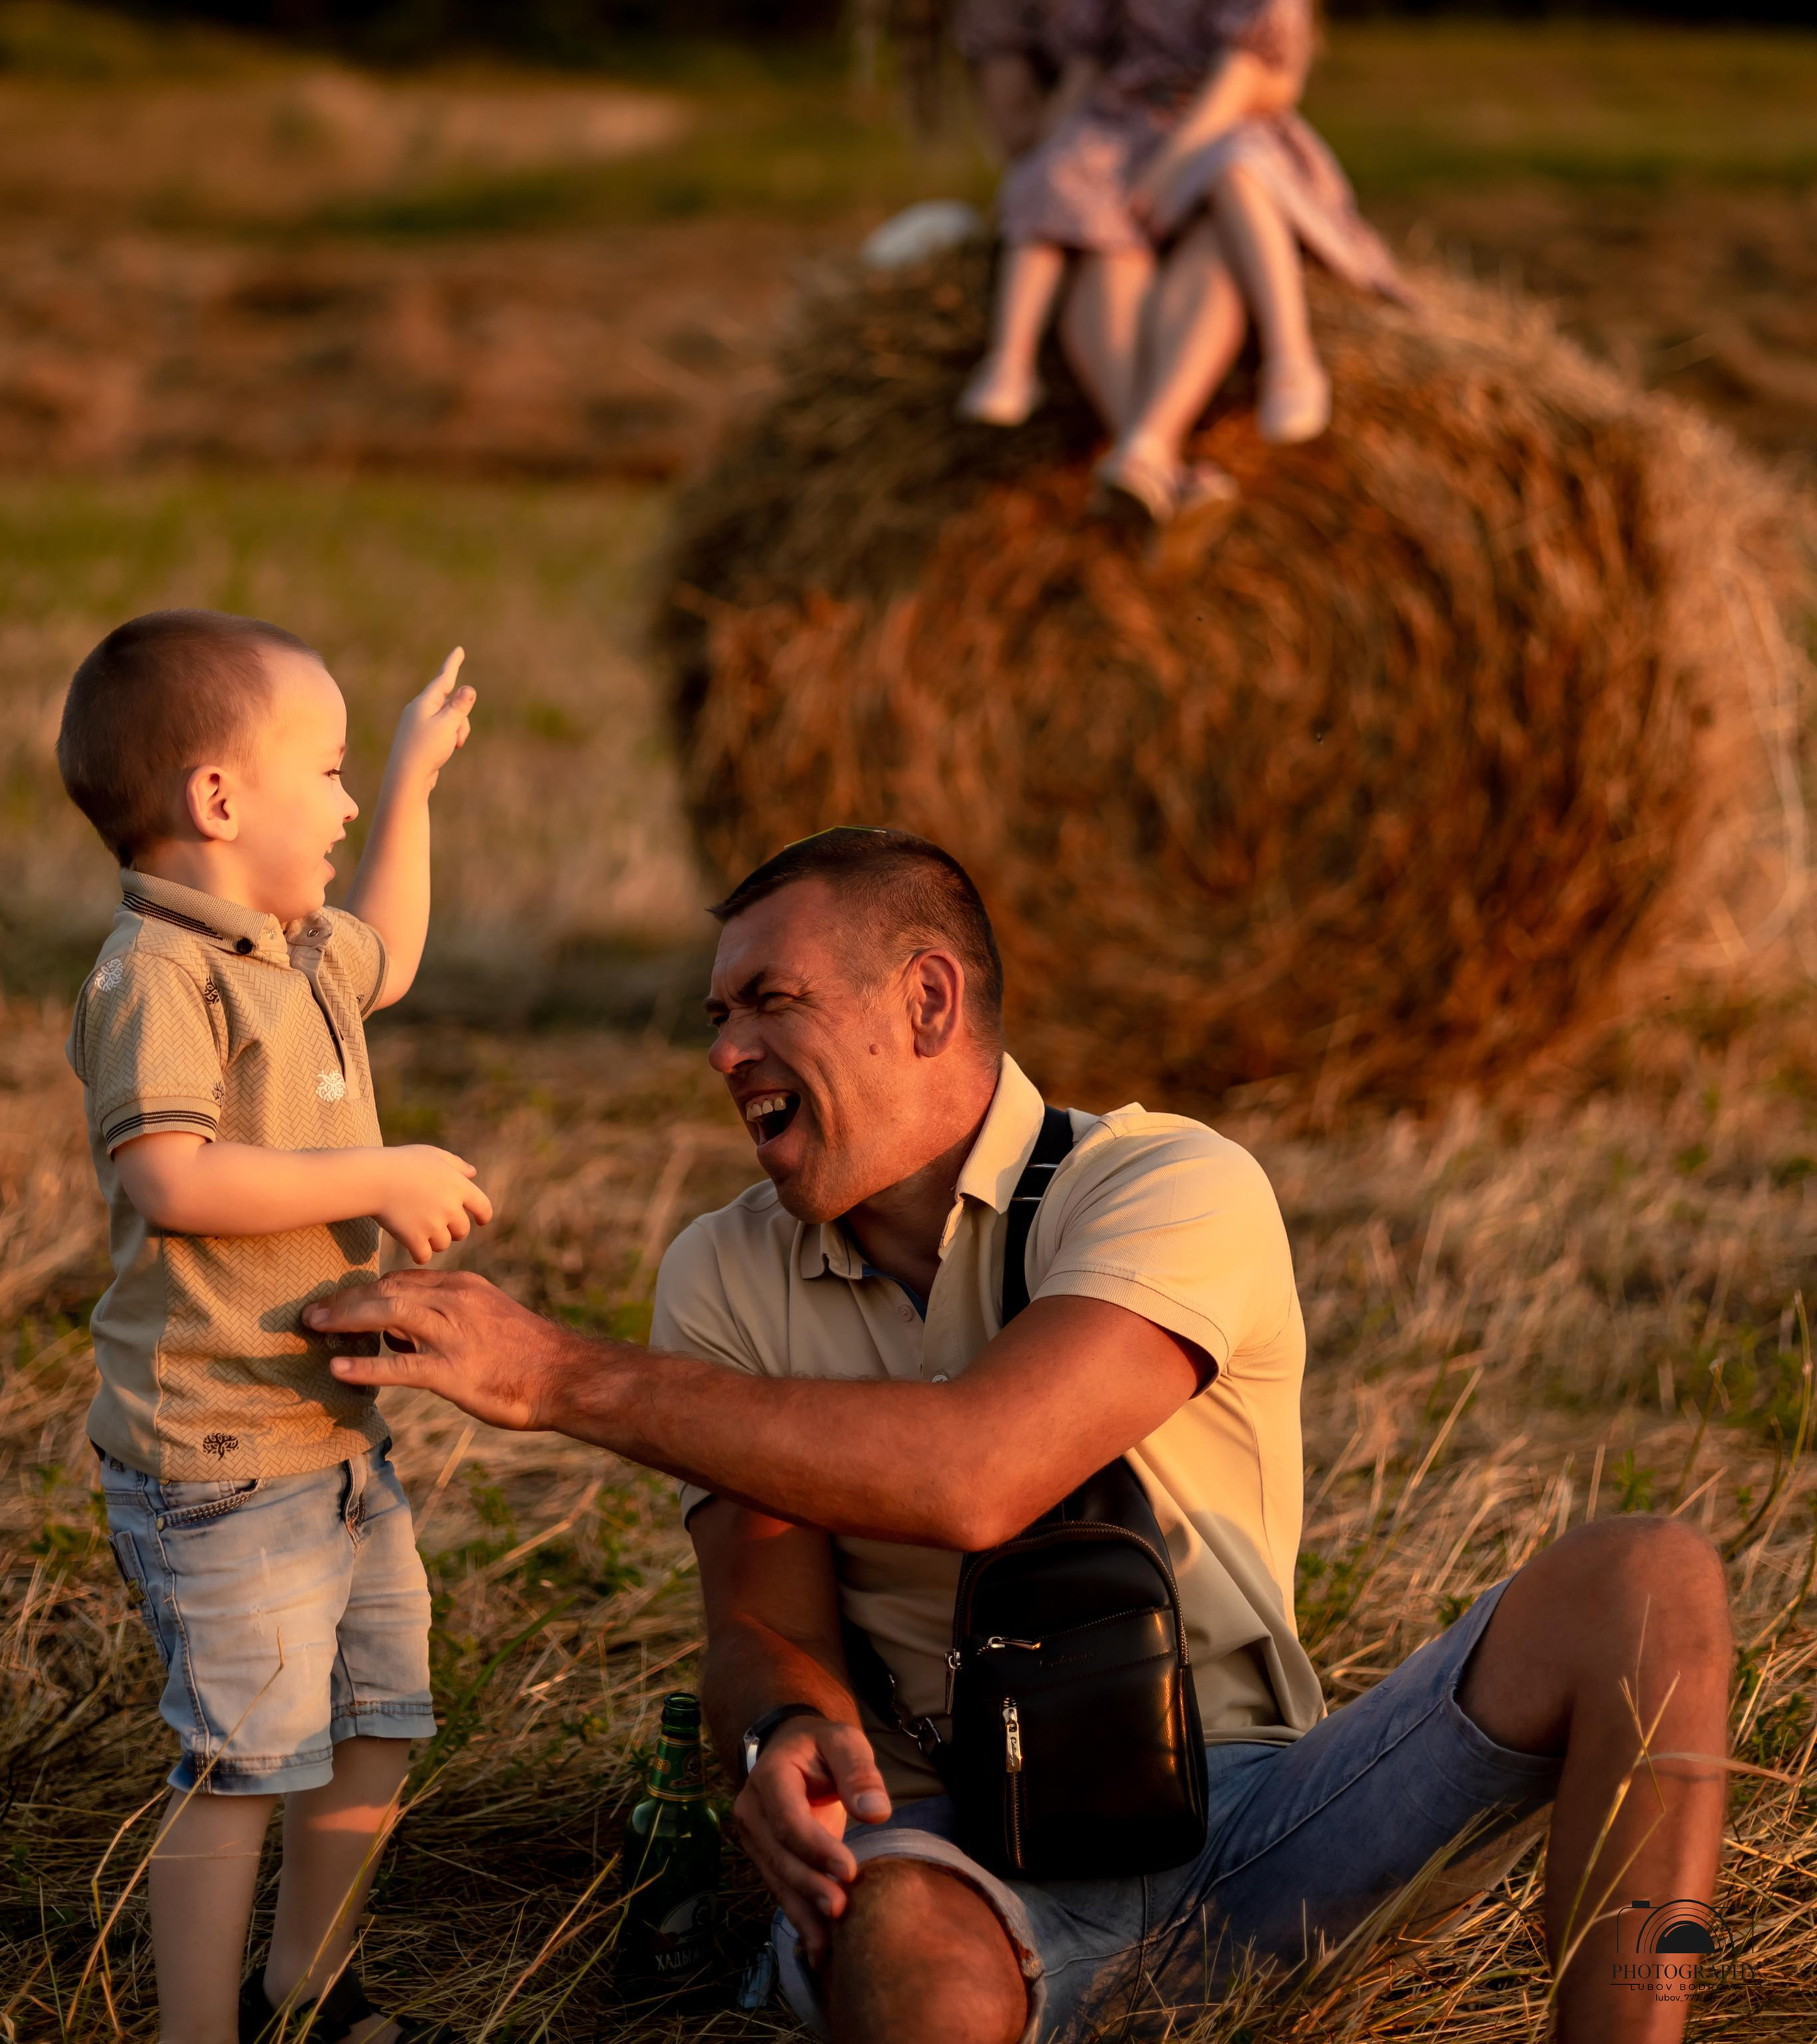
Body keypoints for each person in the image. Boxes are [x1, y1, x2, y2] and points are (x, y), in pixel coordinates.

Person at [309, 828, 1731, 2044]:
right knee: (913, 1933)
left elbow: (979, 1473)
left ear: (925, 999)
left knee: (1645, 1581)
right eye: (713, 1015)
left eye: (767, 1001)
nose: (724, 1047)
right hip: (943, 1839)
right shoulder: (722, 1274)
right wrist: (782, 1737)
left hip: (1251, 1818)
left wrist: (563, 1377)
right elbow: (758, 1619)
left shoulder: (1171, 1184)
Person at [57, 610, 490, 2044]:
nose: (349, 799)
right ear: (219, 800)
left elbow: (400, 955)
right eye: (335, 771)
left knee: (377, 1717)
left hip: (329, 1437)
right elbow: (171, 1177)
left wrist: (419, 782)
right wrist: (380, 1172)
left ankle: (311, 1987)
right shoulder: (158, 978)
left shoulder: (292, 951)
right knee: (243, 1763)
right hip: (219, 1455)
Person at [970, 0, 1410, 520]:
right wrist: (1050, 173)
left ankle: (1282, 365)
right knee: (1098, 257)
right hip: (1121, 144)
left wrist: (1177, 160)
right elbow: (1082, 72)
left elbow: (1241, 78)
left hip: (1207, 143)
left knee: (1228, 204)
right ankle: (1147, 452)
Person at [851, 0, 1151, 426]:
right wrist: (1092, 75)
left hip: (1202, 151)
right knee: (1085, 256)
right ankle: (1144, 451)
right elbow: (1020, 134)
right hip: (1098, 179)